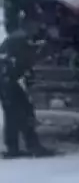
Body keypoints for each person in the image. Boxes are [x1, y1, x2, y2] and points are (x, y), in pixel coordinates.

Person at [0, 12, 51, 159]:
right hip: (7, 81)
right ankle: (31, 146)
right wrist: (42, 52)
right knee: (22, 112)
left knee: (14, 114)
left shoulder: (16, 39)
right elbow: (25, 60)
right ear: (29, 25)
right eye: (36, 25)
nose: (37, 28)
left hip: (6, 80)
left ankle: (15, 147)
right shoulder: (20, 40)